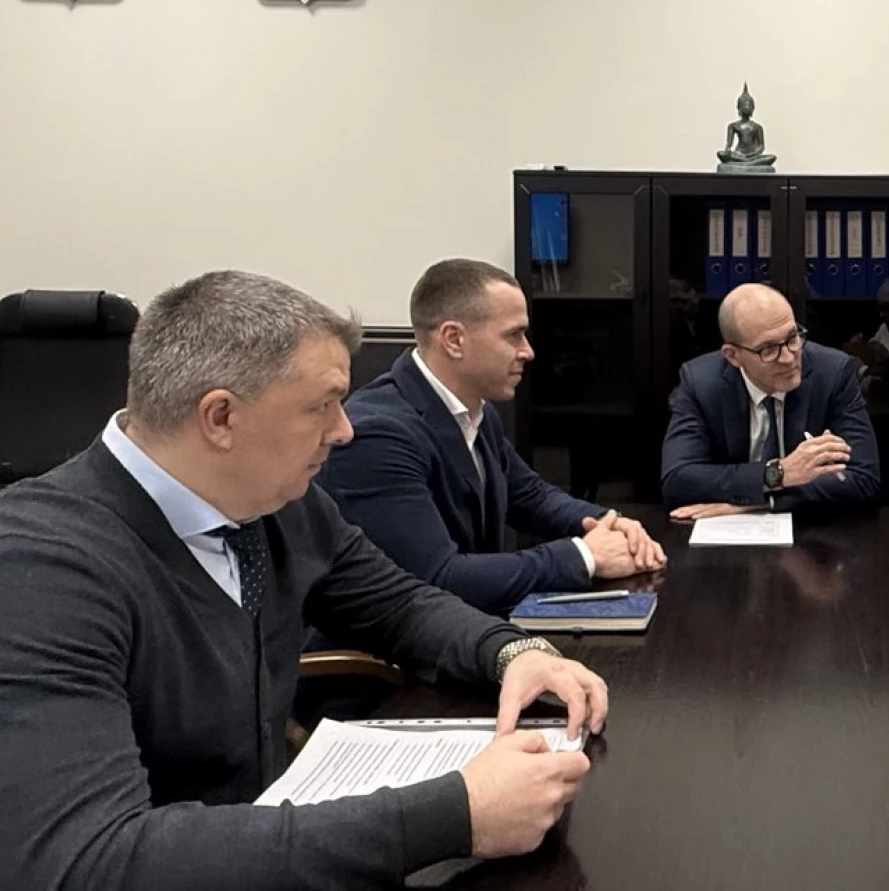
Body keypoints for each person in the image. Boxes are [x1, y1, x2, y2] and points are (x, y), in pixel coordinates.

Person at [0, 270, 610, 888]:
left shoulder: (275, 502)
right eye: (324, 404)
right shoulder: (41, 568)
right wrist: (454, 815)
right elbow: (86, 860)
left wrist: (511, 652)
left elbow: (398, 603)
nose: (345, 430)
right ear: (221, 418)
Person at [318, 259, 664, 616]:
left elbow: (529, 495)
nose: (528, 351)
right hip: (393, 645)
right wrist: (585, 556)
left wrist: (607, 520)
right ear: (454, 340)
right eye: (514, 335)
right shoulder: (378, 435)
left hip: (467, 628)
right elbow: (437, 577)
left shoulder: (474, 409)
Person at [661, 283, 880, 518]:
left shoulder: (833, 373)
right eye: (768, 349)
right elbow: (677, 480)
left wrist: (760, 503)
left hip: (810, 530)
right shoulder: (701, 383)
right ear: (733, 356)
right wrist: (779, 473)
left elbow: (864, 480)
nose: (788, 358)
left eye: (792, 338)